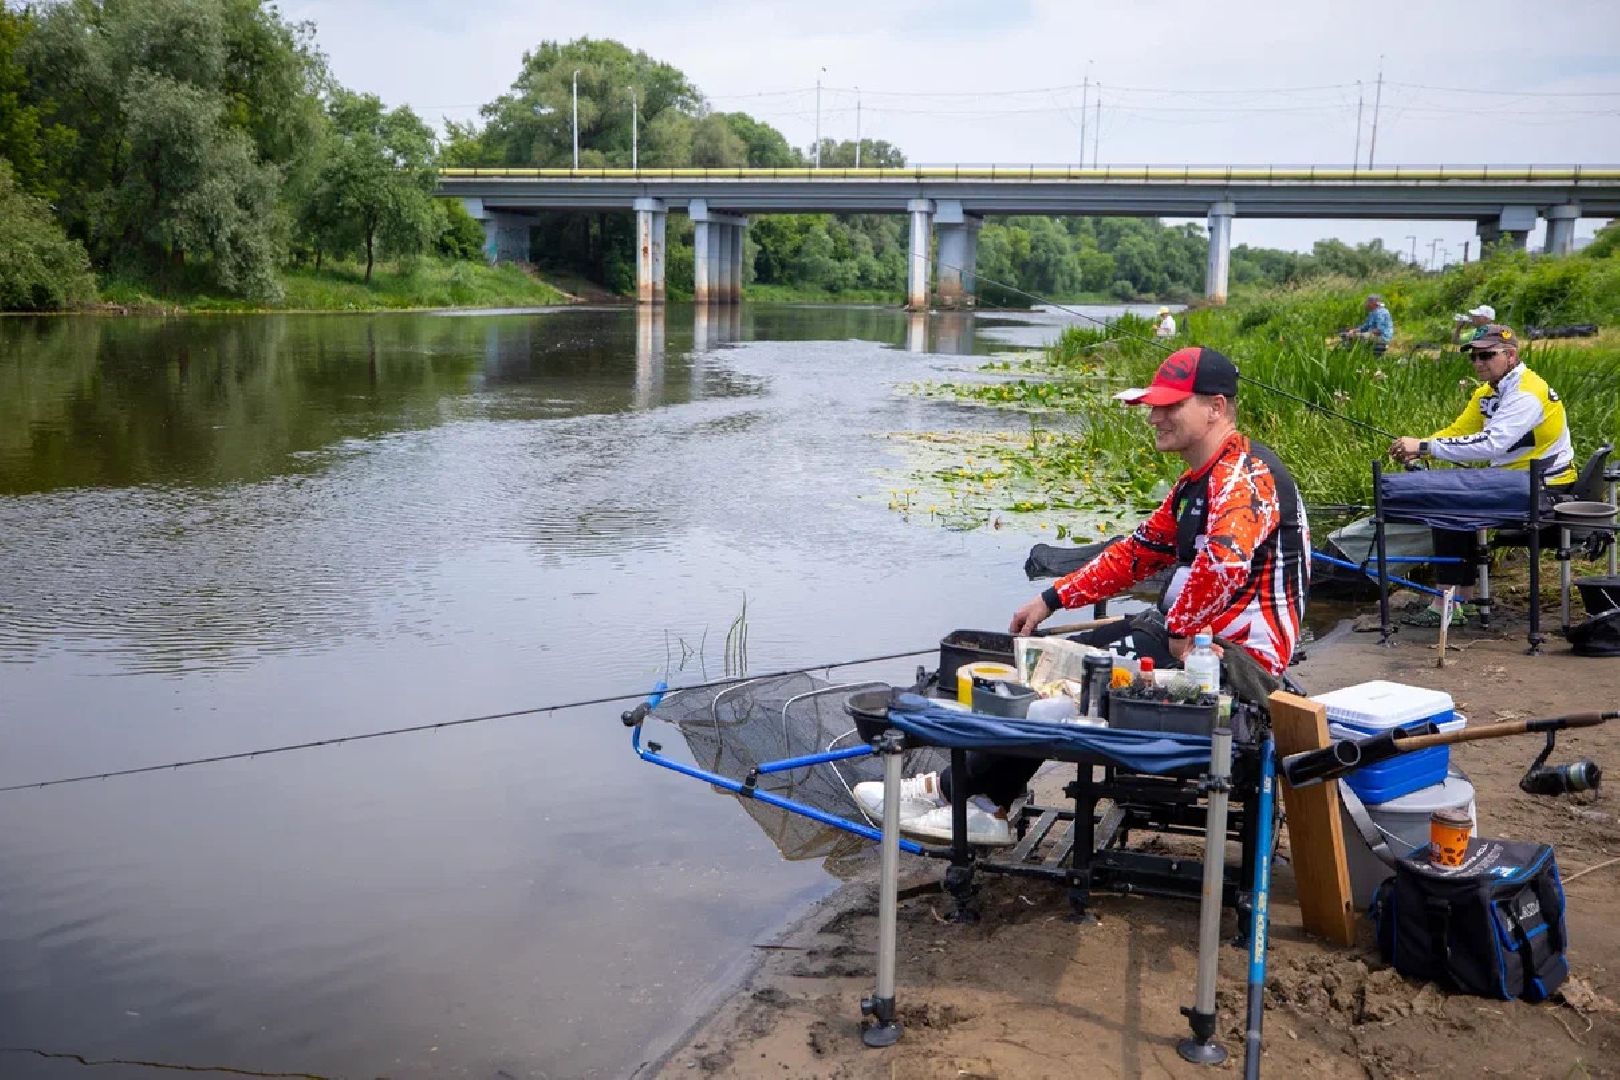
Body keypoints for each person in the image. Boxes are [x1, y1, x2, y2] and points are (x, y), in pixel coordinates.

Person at [854, 347, 1311, 844]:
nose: (1154, 416)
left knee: (1061, 679)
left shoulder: (1245, 476)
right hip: (1200, 644)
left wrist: (1180, 632)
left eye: (1170, 405)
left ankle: (974, 801)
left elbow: (1224, 561)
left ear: (1216, 407)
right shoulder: (1198, 482)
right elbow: (1136, 553)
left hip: (1239, 664)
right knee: (1051, 665)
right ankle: (973, 795)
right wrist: (1052, 598)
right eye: (1153, 405)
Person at [1389, 324, 1575, 627]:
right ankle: (1462, 600)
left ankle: (1445, 605)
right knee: (1459, 504)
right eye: (1473, 357)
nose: (1478, 363)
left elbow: (1492, 443)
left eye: (1486, 355)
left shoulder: (1527, 393)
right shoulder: (1488, 392)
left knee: (1448, 507)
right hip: (1512, 483)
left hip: (1544, 489)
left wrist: (1426, 446)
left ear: (1511, 355)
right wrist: (1420, 448)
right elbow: (1460, 432)